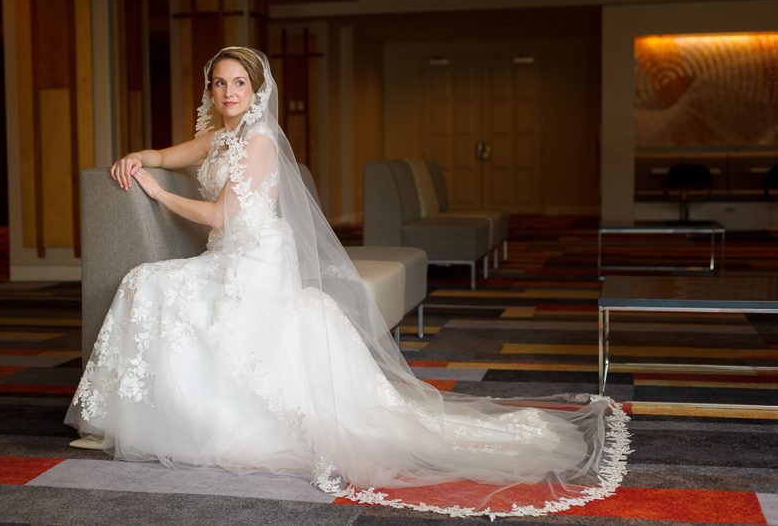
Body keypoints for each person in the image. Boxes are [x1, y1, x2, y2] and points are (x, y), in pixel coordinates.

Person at [66, 47, 630, 519]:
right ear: (210, 91)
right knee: (148, 283)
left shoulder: (259, 142)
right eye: (219, 83)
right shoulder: (219, 135)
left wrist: (159, 194)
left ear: (257, 89)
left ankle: (168, 419)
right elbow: (169, 152)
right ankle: (146, 417)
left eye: (239, 83)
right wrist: (139, 156)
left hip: (254, 260)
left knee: (150, 282)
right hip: (232, 258)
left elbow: (220, 217)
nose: (228, 91)